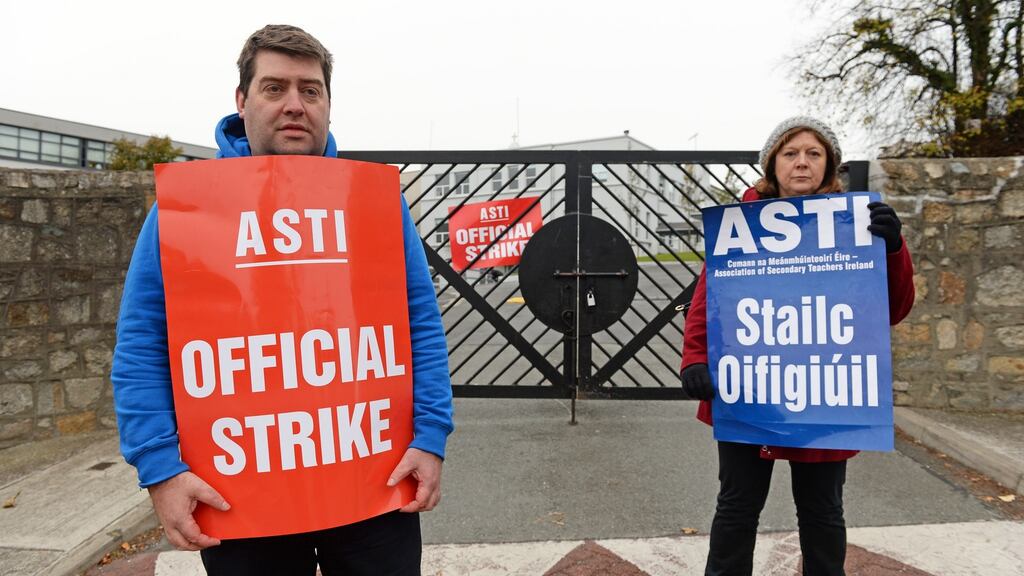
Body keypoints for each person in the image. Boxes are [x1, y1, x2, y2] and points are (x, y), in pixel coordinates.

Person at [110, 25, 453, 575]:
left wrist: (431, 435)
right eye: (274, 88)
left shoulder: (373, 205)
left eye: (310, 90)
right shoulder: (186, 212)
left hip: (372, 481)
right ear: (242, 101)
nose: (295, 105)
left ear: (328, 105)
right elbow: (143, 342)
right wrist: (160, 468)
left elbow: (419, 324)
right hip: (238, 493)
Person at [680, 116, 915, 576]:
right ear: (773, 164)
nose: (801, 162)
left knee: (823, 511)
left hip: (825, 391)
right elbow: (709, 300)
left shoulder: (854, 225)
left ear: (829, 165)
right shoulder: (740, 227)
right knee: (736, 506)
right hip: (749, 389)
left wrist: (891, 248)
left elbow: (892, 308)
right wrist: (695, 358)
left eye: (813, 153)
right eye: (790, 154)